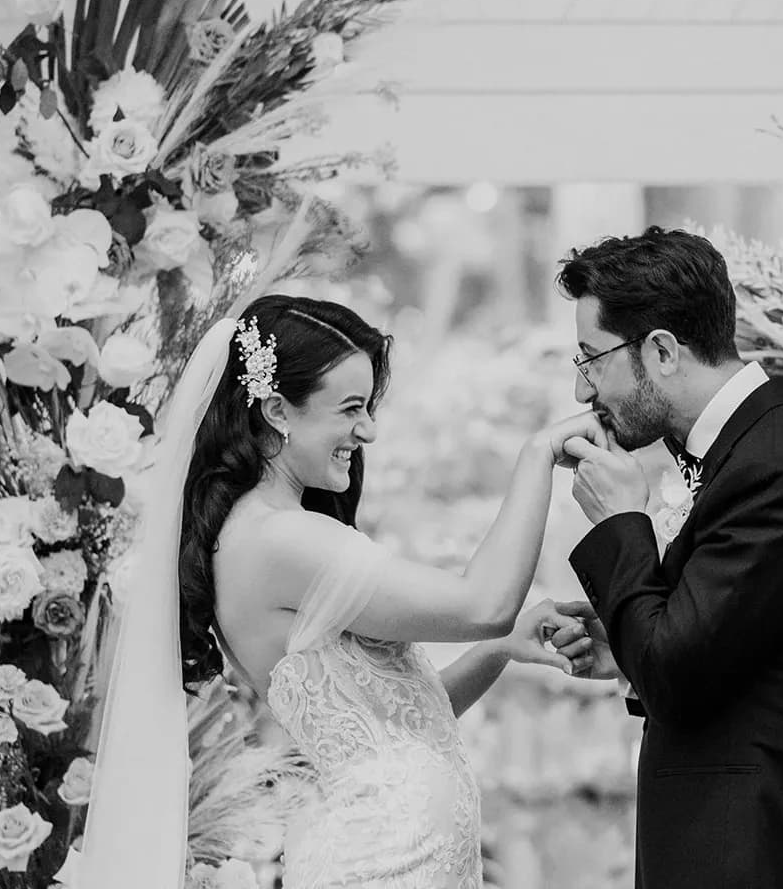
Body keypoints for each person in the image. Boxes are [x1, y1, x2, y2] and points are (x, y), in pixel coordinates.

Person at [76, 295, 602, 889]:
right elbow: (484, 604)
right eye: (351, 408)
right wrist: (537, 456)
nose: (369, 430)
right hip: (381, 858)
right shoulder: (280, 540)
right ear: (278, 410)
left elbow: (403, 732)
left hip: (397, 851)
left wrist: (498, 650)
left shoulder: (268, 533)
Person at [556, 227, 783, 888]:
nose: (581, 392)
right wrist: (625, 642)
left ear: (659, 351)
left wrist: (624, 524)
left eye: (591, 360)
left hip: (766, 857)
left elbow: (675, 672)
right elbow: (722, 654)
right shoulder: (762, 453)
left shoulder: (774, 469)